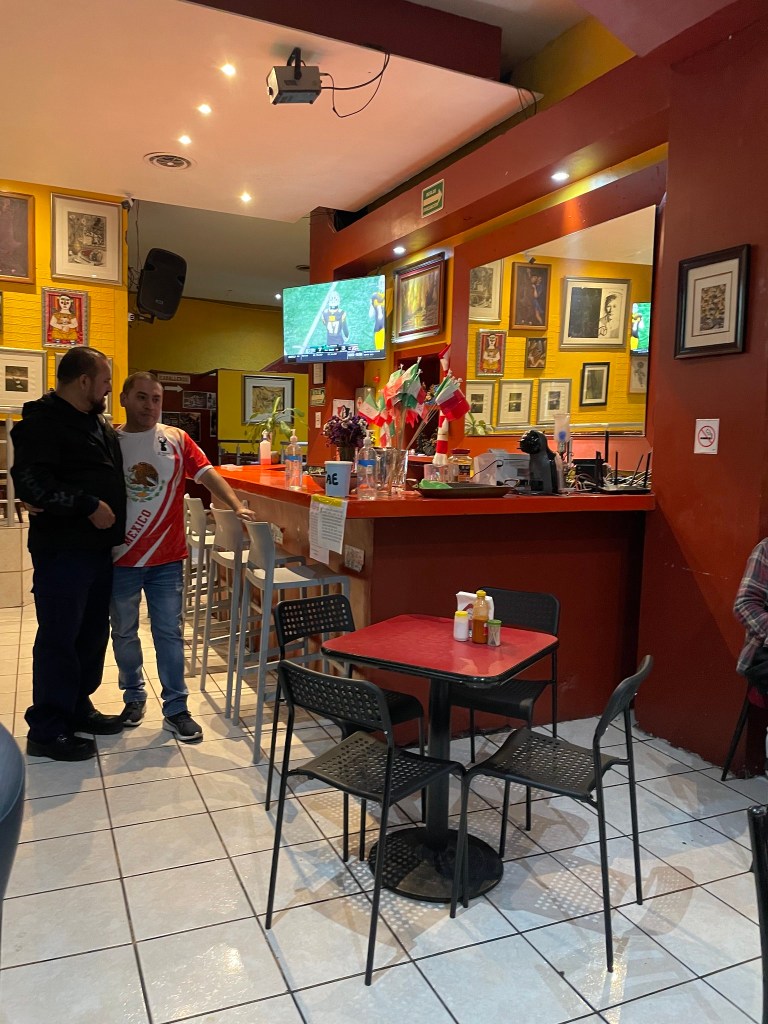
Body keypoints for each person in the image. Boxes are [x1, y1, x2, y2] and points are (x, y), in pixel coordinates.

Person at [111, 372, 258, 741]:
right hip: (121, 558)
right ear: (125, 398)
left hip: (167, 558)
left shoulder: (176, 439)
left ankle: (176, 708)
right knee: (124, 634)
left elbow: (207, 475)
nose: (150, 405)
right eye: (142, 397)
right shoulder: (109, 441)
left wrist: (236, 505)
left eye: (156, 399)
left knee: (169, 635)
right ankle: (133, 696)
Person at [11, 348, 126, 761]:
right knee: (59, 638)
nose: (109, 386)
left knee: (91, 636)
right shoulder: (43, 421)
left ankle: (78, 707)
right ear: (83, 381)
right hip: (63, 553)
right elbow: (29, 483)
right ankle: (47, 729)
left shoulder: (95, 422)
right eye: (106, 379)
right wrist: (87, 505)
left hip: (96, 552)